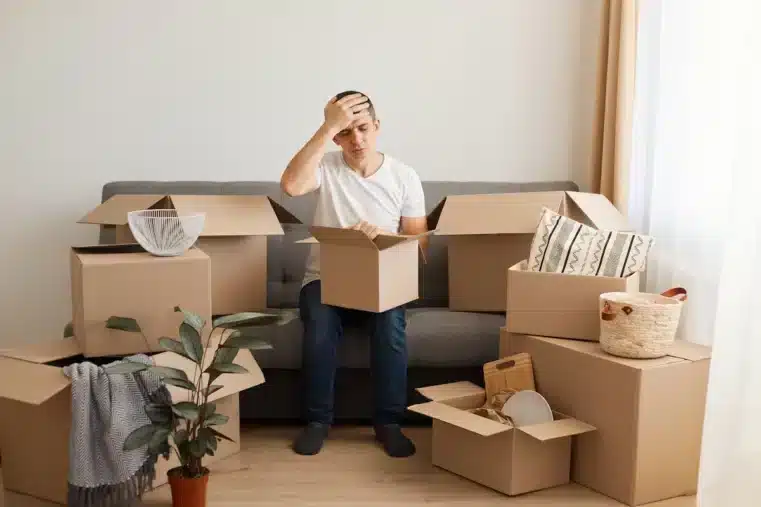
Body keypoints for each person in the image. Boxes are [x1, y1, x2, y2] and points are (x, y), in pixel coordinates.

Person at [280, 91, 428, 458]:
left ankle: (389, 423)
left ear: (376, 127)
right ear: (334, 137)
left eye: (362, 128)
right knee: (319, 325)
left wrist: (382, 239)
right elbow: (292, 186)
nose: (356, 140)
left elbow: (419, 247)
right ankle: (317, 422)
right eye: (345, 133)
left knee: (391, 326)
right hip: (325, 280)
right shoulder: (325, 167)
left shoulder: (404, 176)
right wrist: (327, 124)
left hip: (382, 283)